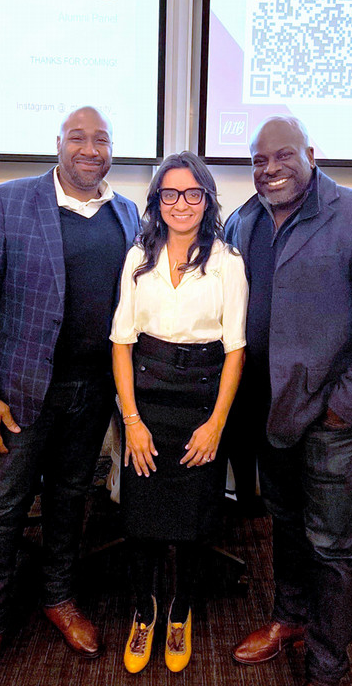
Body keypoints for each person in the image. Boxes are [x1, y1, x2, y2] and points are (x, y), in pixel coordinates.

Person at [0, 106, 140, 686]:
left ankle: (60, 598)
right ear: (57, 143)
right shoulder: (5, 201)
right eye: (78, 138)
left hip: (92, 392)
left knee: (70, 500)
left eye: (101, 139)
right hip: (18, 395)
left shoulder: (127, 213)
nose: (91, 148)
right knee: (3, 511)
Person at [226, 116, 352, 686]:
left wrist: (346, 404)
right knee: (284, 522)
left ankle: (328, 663)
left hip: (333, 418)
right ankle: (289, 618)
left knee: (331, 542)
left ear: (310, 152)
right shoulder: (245, 218)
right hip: (269, 409)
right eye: (259, 161)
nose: (270, 168)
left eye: (282, 155)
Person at [110, 152, 248, 674]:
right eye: (170, 194)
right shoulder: (136, 259)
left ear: (207, 199)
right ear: (157, 202)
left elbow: (235, 350)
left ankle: (180, 612)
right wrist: (132, 423)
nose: (181, 204)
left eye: (193, 193)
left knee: (192, 523)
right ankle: (143, 613)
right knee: (141, 521)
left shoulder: (228, 263)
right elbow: (121, 344)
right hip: (146, 406)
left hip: (201, 404)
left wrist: (215, 425)